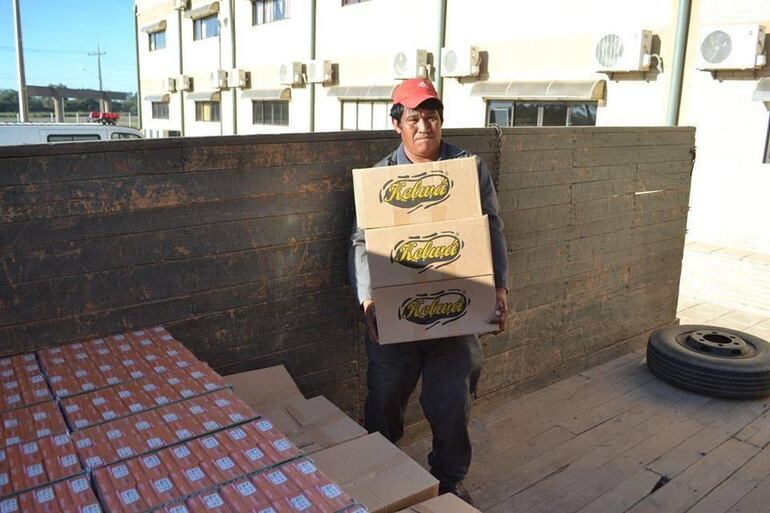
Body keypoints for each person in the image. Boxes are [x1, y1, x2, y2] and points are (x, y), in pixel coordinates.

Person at [347, 78, 508, 505]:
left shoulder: (467, 169)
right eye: (414, 118)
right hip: (395, 314)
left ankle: (449, 483)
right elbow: (361, 242)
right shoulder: (379, 179)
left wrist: (500, 286)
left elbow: (491, 227)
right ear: (396, 124)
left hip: (454, 313)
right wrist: (368, 299)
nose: (424, 126)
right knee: (384, 397)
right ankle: (381, 476)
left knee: (453, 402)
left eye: (432, 117)